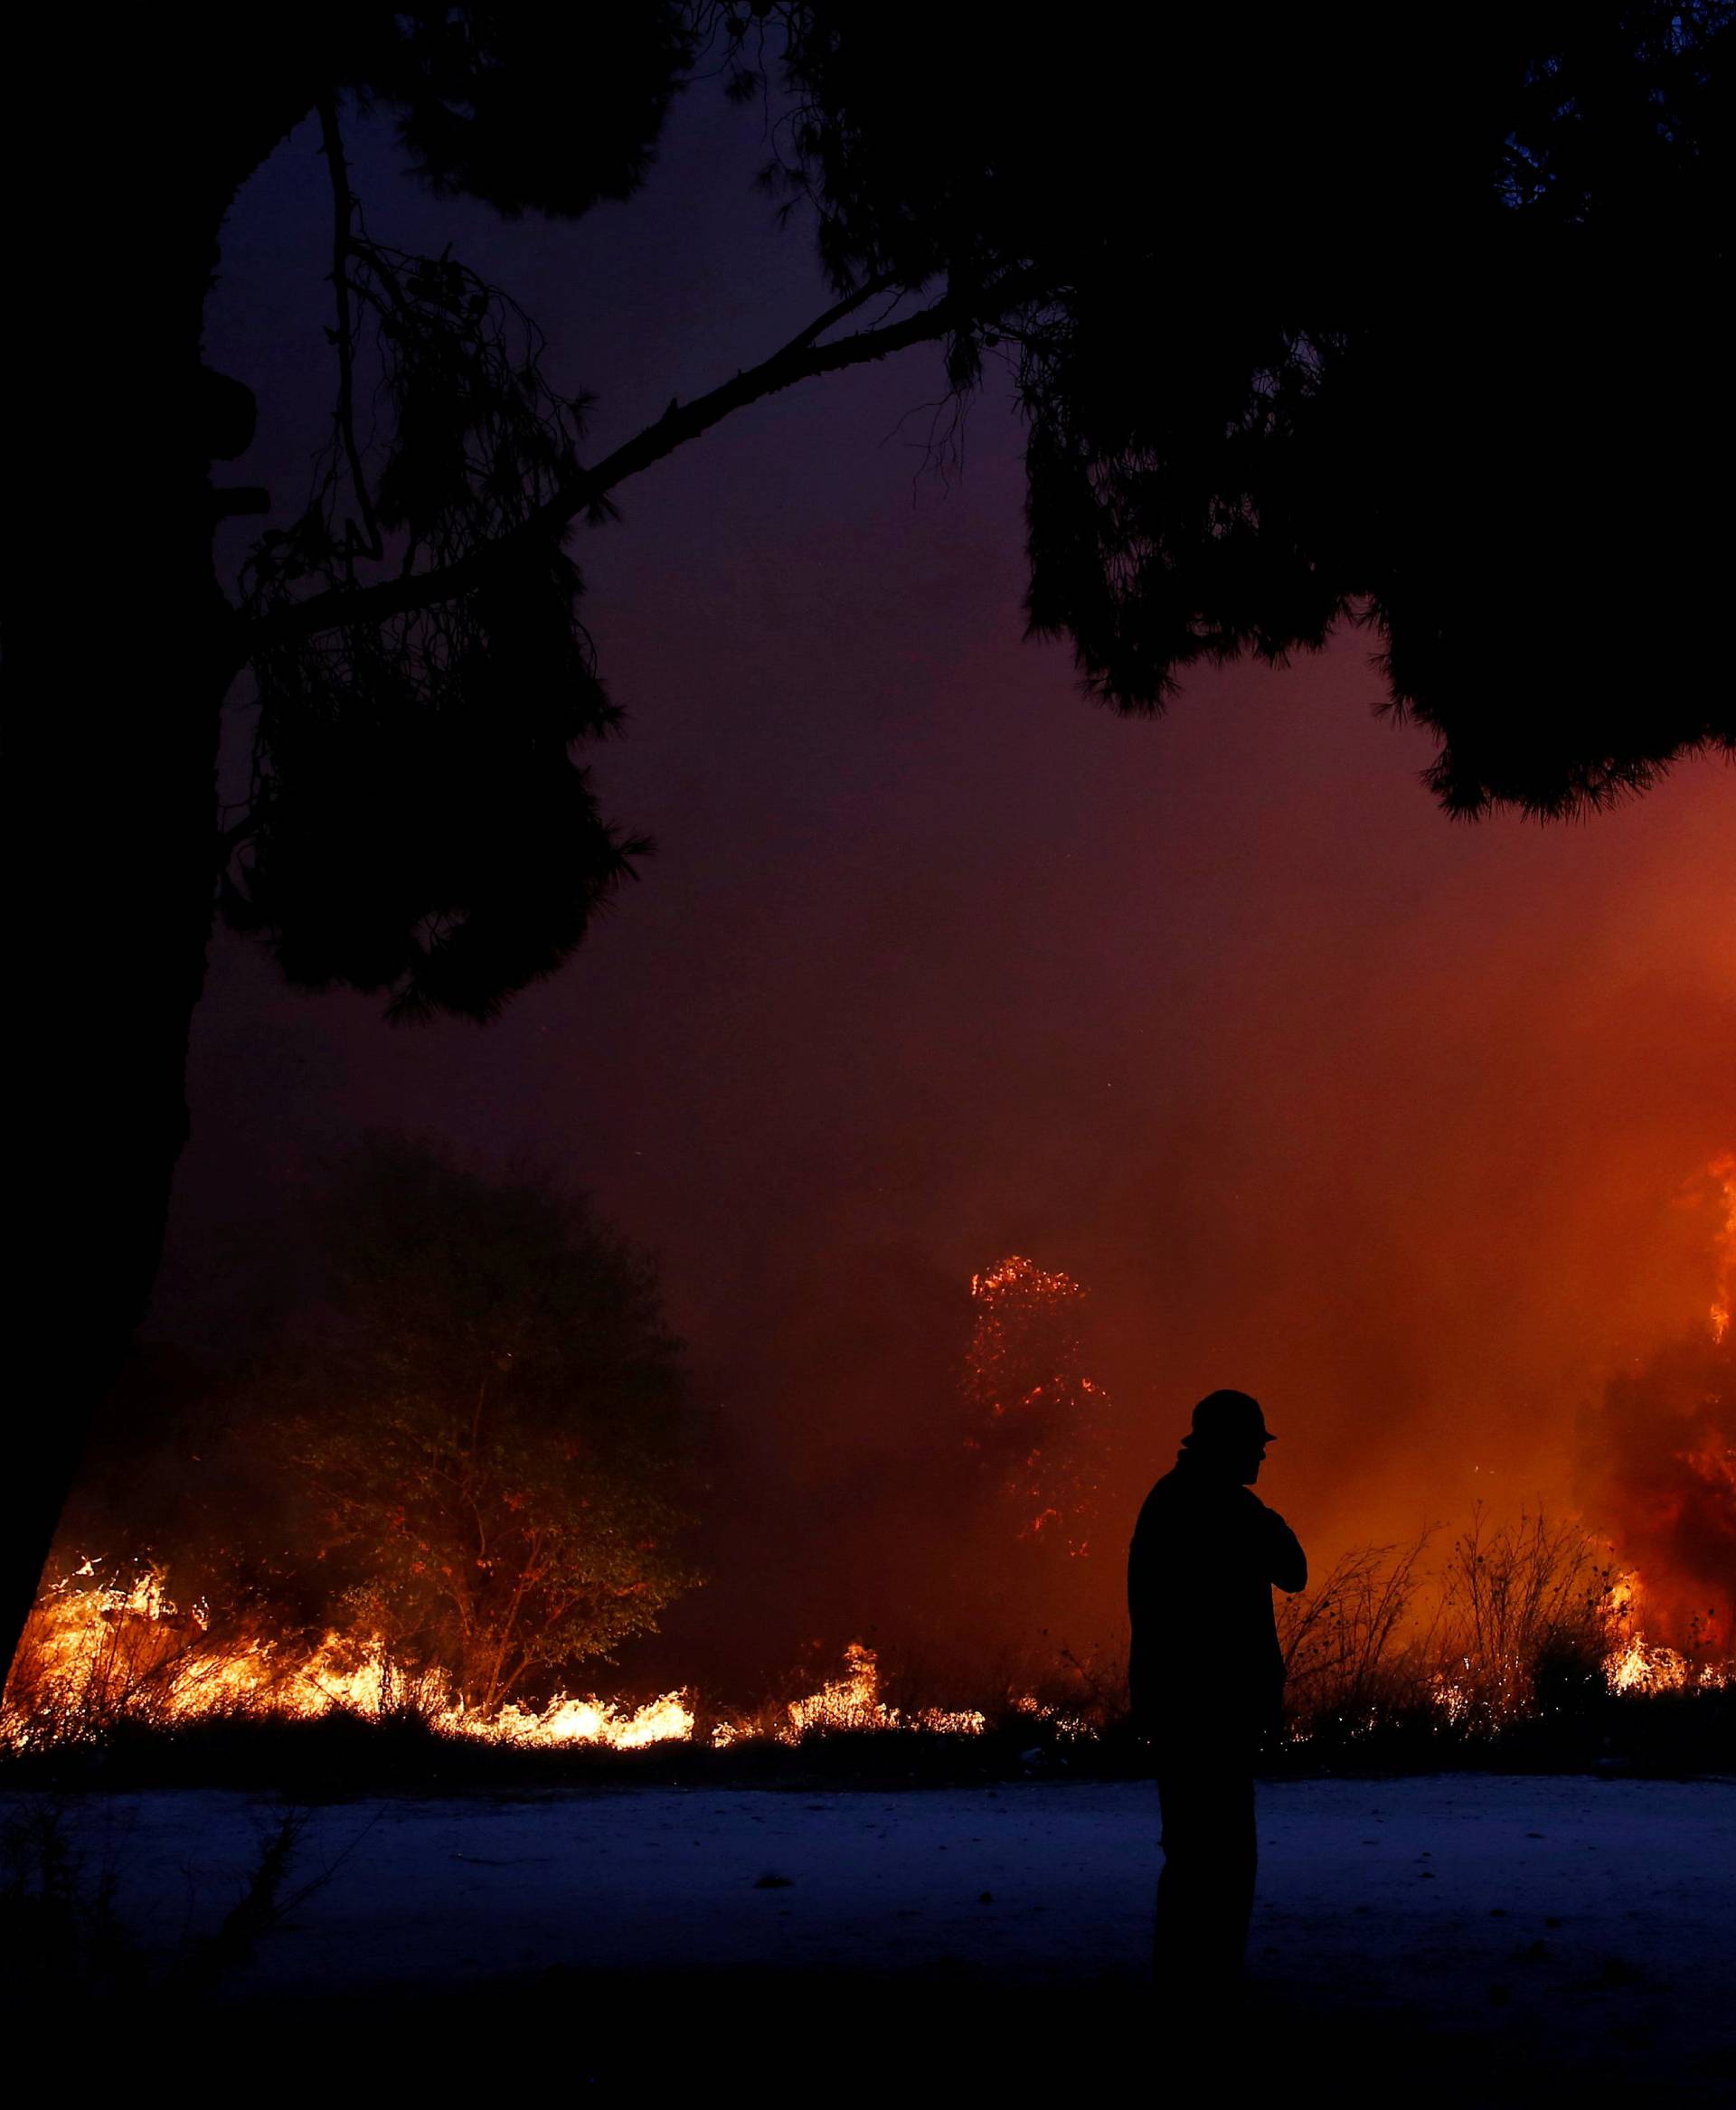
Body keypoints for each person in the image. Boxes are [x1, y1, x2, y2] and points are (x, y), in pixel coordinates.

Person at [1127, 1389, 1307, 1997]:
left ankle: (1188, 1982)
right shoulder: (1227, 1510)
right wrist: (1259, 1514)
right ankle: (1204, 1987)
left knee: (1197, 1855)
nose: (1261, 1454)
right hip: (1211, 1711)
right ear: (1227, 1445)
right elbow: (1294, 1571)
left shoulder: (1168, 1502)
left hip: (1183, 1708)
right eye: (1254, 1444)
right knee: (1221, 1858)